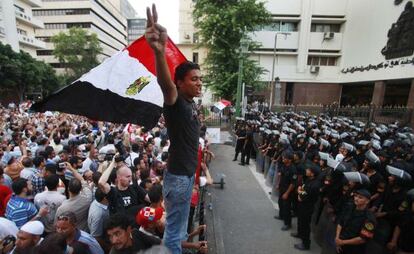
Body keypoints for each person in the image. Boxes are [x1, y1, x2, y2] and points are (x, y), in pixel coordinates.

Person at [146, 5, 202, 253]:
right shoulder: (175, 101)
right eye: (194, 79)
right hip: (179, 179)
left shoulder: (190, 104)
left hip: (186, 177)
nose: (199, 83)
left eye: (200, 78)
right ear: (180, 83)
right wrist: (160, 51)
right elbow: (165, 84)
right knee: (172, 235)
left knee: (178, 230)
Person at [335, 189, 376, 254]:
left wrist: (342, 242)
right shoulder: (349, 207)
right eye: (356, 196)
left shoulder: (369, 219)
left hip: (354, 249)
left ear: (367, 201)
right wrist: (337, 239)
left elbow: (363, 239)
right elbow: (340, 222)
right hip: (340, 243)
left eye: (360, 198)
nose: (356, 199)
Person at [55, 162, 93, 232]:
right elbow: (82, 180)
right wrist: (71, 169)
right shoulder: (88, 198)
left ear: (68, 189)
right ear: (81, 189)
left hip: (70, 233)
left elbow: (57, 224)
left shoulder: (62, 208)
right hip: (84, 231)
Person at [292, 165, 321, 250]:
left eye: (308, 170)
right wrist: (300, 191)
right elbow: (303, 188)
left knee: (305, 225)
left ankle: (305, 244)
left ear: (312, 173)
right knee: (300, 221)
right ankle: (299, 234)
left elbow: (303, 196)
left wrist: (299, 192)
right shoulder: (309, 179)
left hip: (307, 207)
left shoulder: (315, 185)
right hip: (302, 205)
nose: (306, 170)